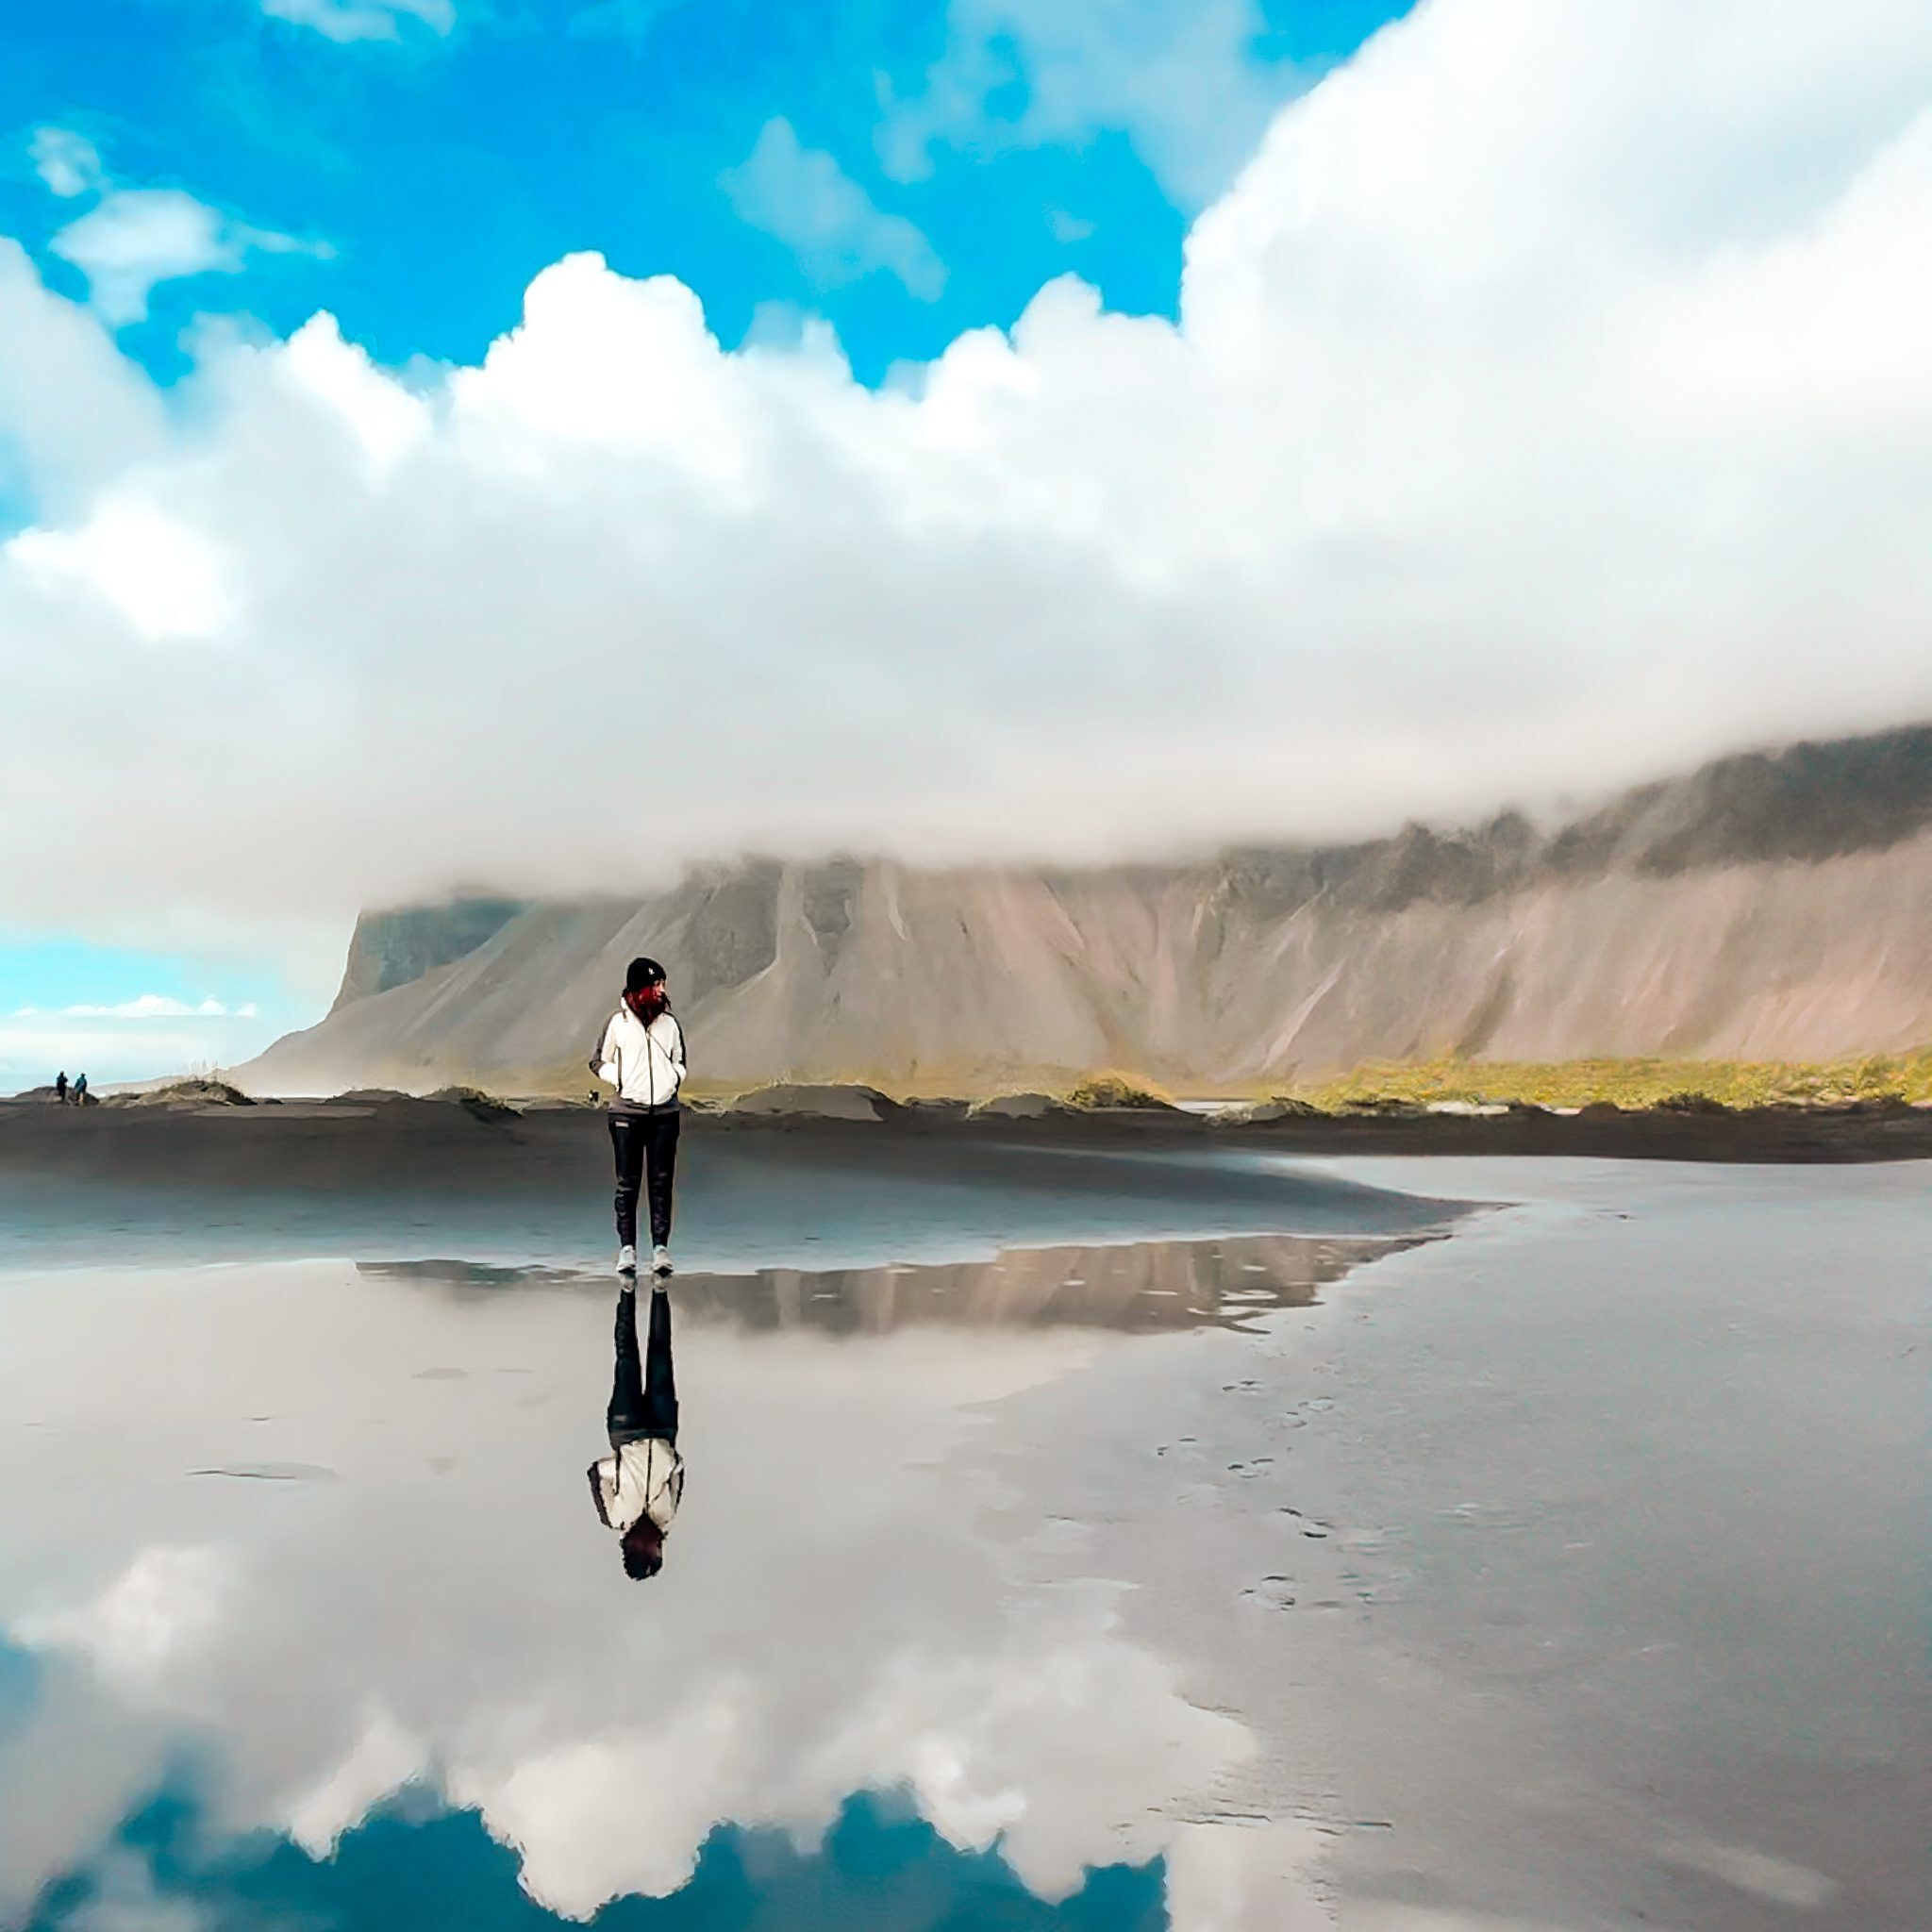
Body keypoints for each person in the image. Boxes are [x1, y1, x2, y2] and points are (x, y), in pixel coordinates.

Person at [589, 957, 686, 1278]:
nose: (663, 989)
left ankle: (660, 1250)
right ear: (641, 989)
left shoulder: (670, 1025)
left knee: (661, 1184)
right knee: (627, 1184)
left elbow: (681, 1061)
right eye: (657, 984)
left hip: (665, 1114)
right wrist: (620, 1079)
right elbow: (597, 1062)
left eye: (662, 983)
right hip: (626, 1114)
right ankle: (627, 1250)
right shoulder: (617, 1024)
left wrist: (673, 1078)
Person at [587, 1279, 683, 1581]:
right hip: (663, 1427)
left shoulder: (614, 1517)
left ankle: (626, 1290)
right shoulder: (667, 1520)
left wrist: (620, 1464)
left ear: (640, 1550)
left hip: (626, 1430)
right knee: (660, 1352)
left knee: (627, 1357)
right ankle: (660, 1288)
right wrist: (671, 1459)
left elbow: (595, 1473)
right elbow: (677, 1478)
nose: (660, 1546)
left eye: (656, 1552)